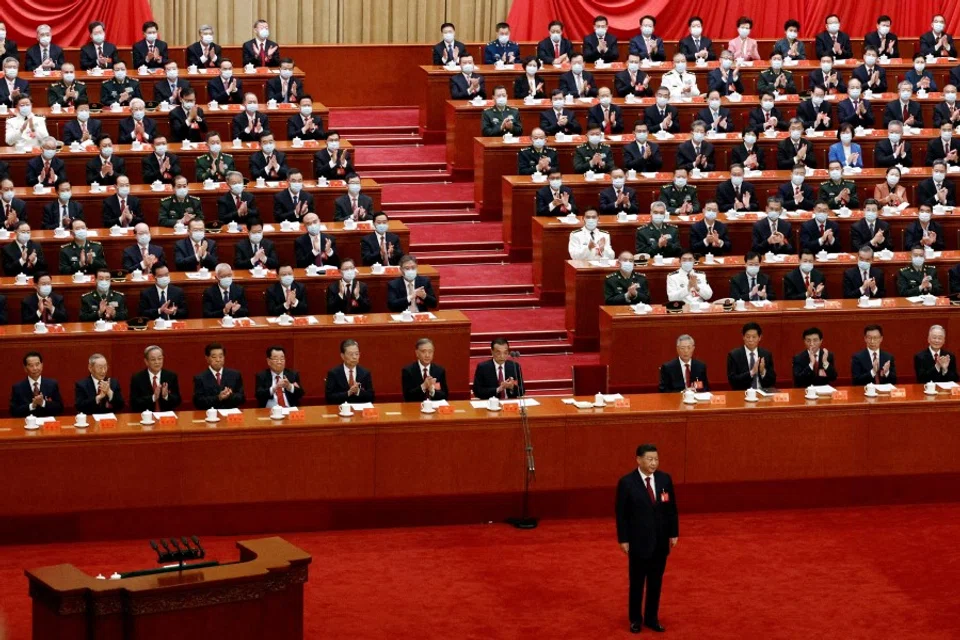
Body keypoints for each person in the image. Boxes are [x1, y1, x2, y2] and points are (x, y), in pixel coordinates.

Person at [615, 443, 679, 634]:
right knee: (636, 583)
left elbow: (671, 509)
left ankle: (652, 618)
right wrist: (623, 539)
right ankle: (635, 619)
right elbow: (621, 514)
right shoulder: (627, 482)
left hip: (660, 541)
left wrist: (674, 533)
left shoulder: (664, 479)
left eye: (656, 459)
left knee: (655, 583)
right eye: (650, 459)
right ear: (639, 460)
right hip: (638, 542)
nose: (654, 463)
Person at [10, 351, 63, 417]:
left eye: (37, 364)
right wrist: (32, 405)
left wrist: (43, 403)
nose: (35, 368)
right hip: (26, 424)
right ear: (25, 368)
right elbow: (13, 412)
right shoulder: (18, 387)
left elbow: (60, 408)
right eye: (31, 365)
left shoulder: (52, 384)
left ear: (42, 365)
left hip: (47, 424)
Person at [129, 346, 182, 413]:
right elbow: (134, 403)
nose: (157, 362)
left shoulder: (171, 376)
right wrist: (153, 397)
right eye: (153, 359)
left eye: (160, 359)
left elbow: (178, 401)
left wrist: (166, 396)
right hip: (145, 418)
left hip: (166, 418)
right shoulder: (137, 378)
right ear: (146, 361)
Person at [193, 343, 245, 409]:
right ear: (207, 358)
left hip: (230, 415)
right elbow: (198, 402)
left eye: (221, 356)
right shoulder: (200, 378)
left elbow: (242, 399)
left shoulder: (235, 375)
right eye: (214, 357)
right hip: (210, 415)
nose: (218, 360)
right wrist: (218, 398)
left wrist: (230, 395)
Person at [727, 322, 776, 390]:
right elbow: (733, 381)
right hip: (742, 393)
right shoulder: (734, 355)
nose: (751, 340)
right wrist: (751, 372)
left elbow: (772, 381)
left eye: (754, 337)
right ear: (743, 337)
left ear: (760, 337)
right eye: (748, 337)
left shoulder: (766, 354)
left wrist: (763, 372)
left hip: (762, 393)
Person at [325, 339, 374, 404]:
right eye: (351, 354)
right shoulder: (333, 373)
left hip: (360, 411)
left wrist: (358, 391)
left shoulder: (365, 373)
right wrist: (348, 393)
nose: (354, 357)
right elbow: (329, 398)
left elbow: (371, 397)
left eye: (357, 354)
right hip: (339, 410)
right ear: (342, 356)